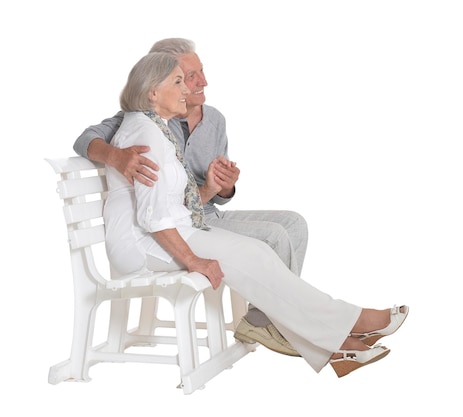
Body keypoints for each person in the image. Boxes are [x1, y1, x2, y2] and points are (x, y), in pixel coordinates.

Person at [103, 51, 408, 377]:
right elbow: (153, 217)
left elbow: (170, 204)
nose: (186, 89)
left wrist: (216, 187)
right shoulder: (145, 134)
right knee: (251, 256)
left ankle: (338, 345)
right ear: (152, 92)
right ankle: (348, 326)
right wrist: (194, 261)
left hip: (171, 231)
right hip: (143, 243)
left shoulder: (154, 128)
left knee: (258, 252)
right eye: (178, 81)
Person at [73, 38, 307, 356]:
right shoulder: (145, 118)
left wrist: (222, 186)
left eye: (200, 73)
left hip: (205, 213)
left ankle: (268, 320)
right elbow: (86, 139)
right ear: (161, 81)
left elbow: (215, 197)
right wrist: (115, 157)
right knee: (273, 236)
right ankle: (276, 325)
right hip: (181, 224)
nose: (201, 83)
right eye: (187, 76)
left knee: (293, 223)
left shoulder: (214, 120)